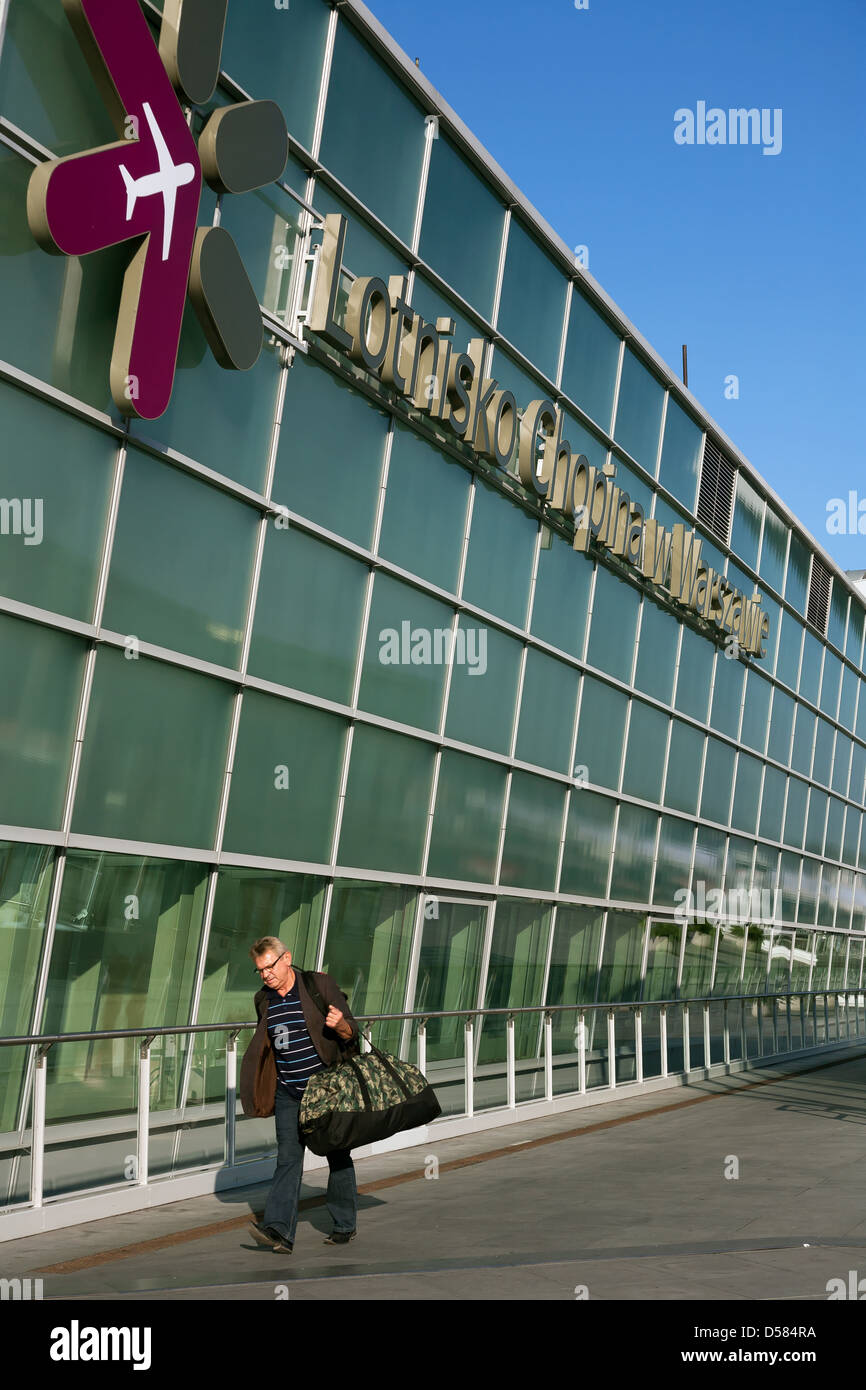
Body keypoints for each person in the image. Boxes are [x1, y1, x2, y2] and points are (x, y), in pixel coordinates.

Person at [239, 936, 360, 1254]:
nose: (266, 975)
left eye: (269, 967)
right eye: (260, 970)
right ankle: (279, 1231)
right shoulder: (263, 1000)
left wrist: (340, 1025)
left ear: (286, 958)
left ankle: (344, 1223)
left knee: (337, 1155)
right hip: (288, 1093)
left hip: (325, 1090)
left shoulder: (318, 985)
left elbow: (352, 1032)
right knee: (288, 1160)